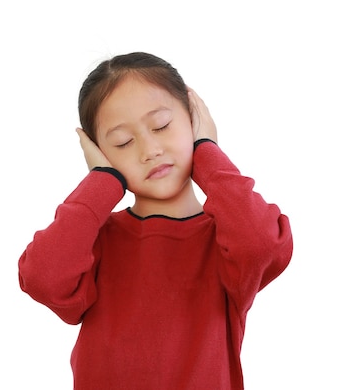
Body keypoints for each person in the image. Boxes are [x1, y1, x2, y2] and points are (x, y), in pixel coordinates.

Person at [17, 52, 293, 390]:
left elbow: (262, 243)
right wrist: (102, 183)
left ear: (193, 117)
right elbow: (41, 277)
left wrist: (207, 152)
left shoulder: (226, 241)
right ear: (100, 154)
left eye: (161, 125)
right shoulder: (95, 240)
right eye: (123, 142)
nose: (149, 149)